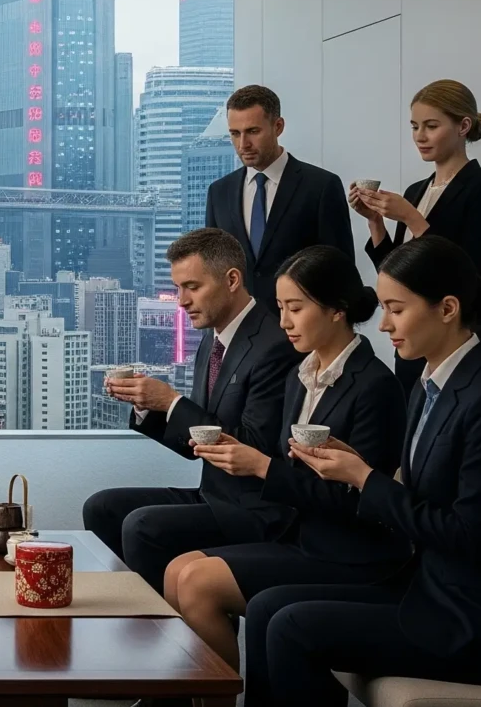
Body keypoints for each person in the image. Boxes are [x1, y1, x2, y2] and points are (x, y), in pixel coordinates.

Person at [246, 236, 481, 706]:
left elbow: (473, 538)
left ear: (448, 308)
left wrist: (363, 479)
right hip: (432, 587)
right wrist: (351, 466)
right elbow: (417, 491)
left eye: (396, 309)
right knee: (268, 607)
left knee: (293, 628)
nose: (383, 324)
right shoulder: (430, 382)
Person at [162, 245, 408, 671]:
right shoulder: (301, 376)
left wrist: (261, 466)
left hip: (347, 549)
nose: (283, 322)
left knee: (197, 583)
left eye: (294, 308)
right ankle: (191, 697)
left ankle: (217, 696)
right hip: (300, 533)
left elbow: (362, 505)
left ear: (336, 310)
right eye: (279, 308)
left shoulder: (374, 386)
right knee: (176, 571)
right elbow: (287, 464)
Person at [85, 228, 298, 591]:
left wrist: (171, 402)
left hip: (255, 508)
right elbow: (194, 445)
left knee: (142, 525)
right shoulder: (212, 340)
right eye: (179, 287)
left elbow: (253, 446)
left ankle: (171, 630)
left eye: (192, 287)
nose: (181, 300)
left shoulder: (273, 344)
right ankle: (145, 613)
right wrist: (148, 407)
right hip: (214, 494)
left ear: (232, 280)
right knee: (101, 507)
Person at [352, 79, 481, 392]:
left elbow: (468, 277)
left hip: (456, 338)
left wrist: (412, 217)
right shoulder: (416, 190)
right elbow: (397, 274)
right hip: (411, 341)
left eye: (431, 126)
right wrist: (375, 222)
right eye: (414, 127)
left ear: (463, 126)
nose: (420, 137)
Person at [205, 85, 356, 308]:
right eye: (235, 134)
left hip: (302, 333)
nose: (243, 144)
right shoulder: (219, 192)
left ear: (278, 126)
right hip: (238, 331)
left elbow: (340, 270)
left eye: (253, 131)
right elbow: (212, 269)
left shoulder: (321, 186)